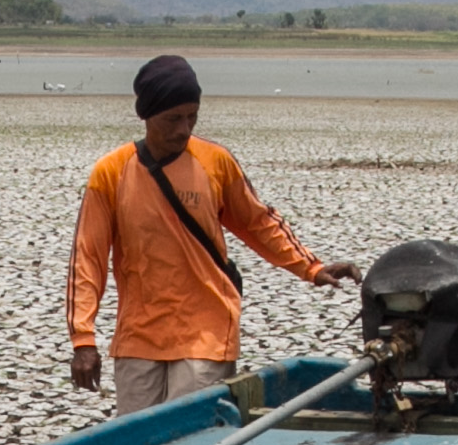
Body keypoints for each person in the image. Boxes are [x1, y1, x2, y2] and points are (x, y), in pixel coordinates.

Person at [66, 53, 358, 411]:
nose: (183, 129)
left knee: (190, 437)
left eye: (192, 117)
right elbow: (88, 257)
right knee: (135, 443)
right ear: (146, 116)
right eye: (173, 119)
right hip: (138, 335)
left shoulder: (214, 162)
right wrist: (83, 339)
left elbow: (258, 222)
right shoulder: (112, 172)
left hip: (205, 330)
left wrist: (310, 267)